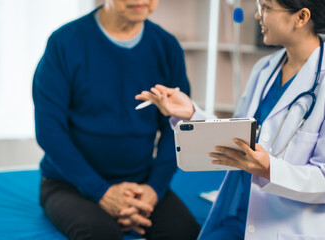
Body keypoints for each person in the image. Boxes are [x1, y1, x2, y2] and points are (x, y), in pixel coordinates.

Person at [136, 0, 325, 239]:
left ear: (302, 17)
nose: (257, 16)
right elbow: (235, 134)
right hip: (239, 216)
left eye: (265, 7)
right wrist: (191, 113)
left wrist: (269, 170)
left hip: (288, 227)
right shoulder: (265, 69)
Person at [32, 0, 200, 239]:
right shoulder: (64, 43)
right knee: (100, 233)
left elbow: (177, 128)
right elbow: (49, 130)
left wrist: (154, 189)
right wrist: (101, 192)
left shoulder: (166, 46)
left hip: (141, 182)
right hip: (69, 183)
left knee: (183, 232)